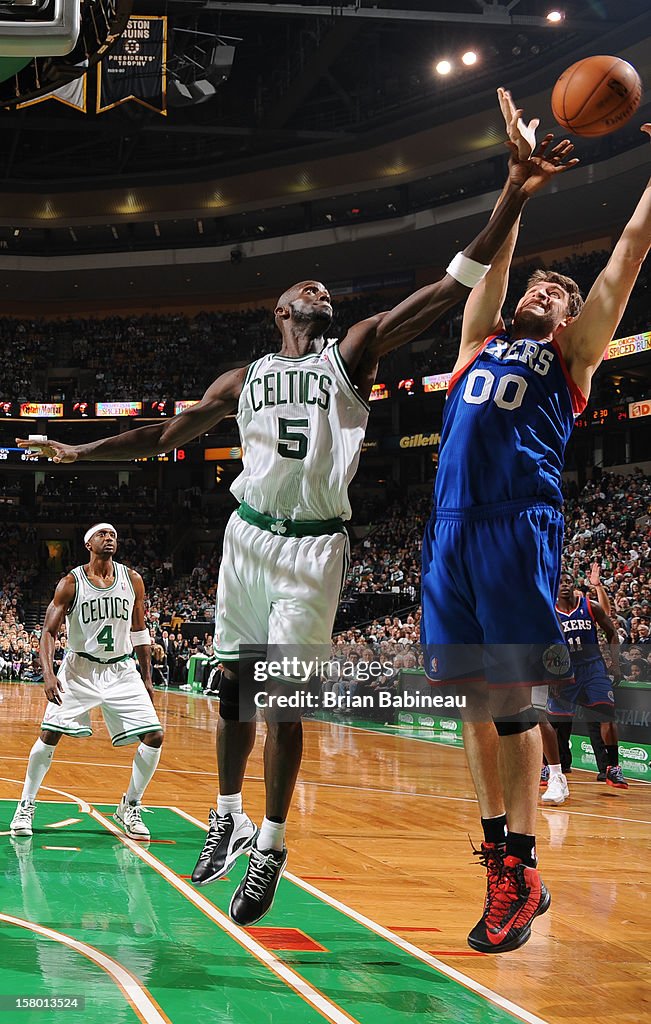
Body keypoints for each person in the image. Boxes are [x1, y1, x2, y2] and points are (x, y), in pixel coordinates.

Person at [18, 106, 576, 926]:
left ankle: (272, 842)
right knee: (229, 693)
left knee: (280, 701)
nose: (319, 286)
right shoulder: (240, 378)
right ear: (280, 307)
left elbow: (446, 288)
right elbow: (162, 433)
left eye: (326, 287)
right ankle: (228, 814)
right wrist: (81, 452)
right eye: (306, 285)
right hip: (245, 539)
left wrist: (511, 194)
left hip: (313, 549)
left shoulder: (349, 352)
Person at [421, 89, 650, 952]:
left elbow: (627, 254)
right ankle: (501, 861)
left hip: (516, 527)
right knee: (473, 709)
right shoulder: (477, 342)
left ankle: (516, 869)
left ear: (566, 318)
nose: (545, 291)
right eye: (541, 285)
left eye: (558, 290)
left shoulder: (572, 355)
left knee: (510, 704)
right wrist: (515, 182)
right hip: (448, 530)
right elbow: (491, 273)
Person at [10, 524, 163, 841]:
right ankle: (25, 804)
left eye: (114, 536)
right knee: (49, 733)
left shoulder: (132, 580)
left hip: (121, 669)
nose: (110, 538)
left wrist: (147, 678)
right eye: (103, 535)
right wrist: (49, 674)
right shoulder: (71, 582)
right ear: (88, 544)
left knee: (155, 735)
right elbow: (49, 633)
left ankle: (129, 806)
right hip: (79, 669)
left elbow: (139, 630)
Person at [549, 573, 627, 789]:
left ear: (574, 585)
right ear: (554, 587)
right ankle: (551, 768)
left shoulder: (590, 606)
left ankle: (613, 768)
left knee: (606, 715)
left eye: (568, 581)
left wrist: (615, 664)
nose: (564, 585)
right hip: (565, 672)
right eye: (560, 582)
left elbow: (611, 632)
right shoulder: (550, 611)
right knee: (554, 724)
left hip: (593, 669)